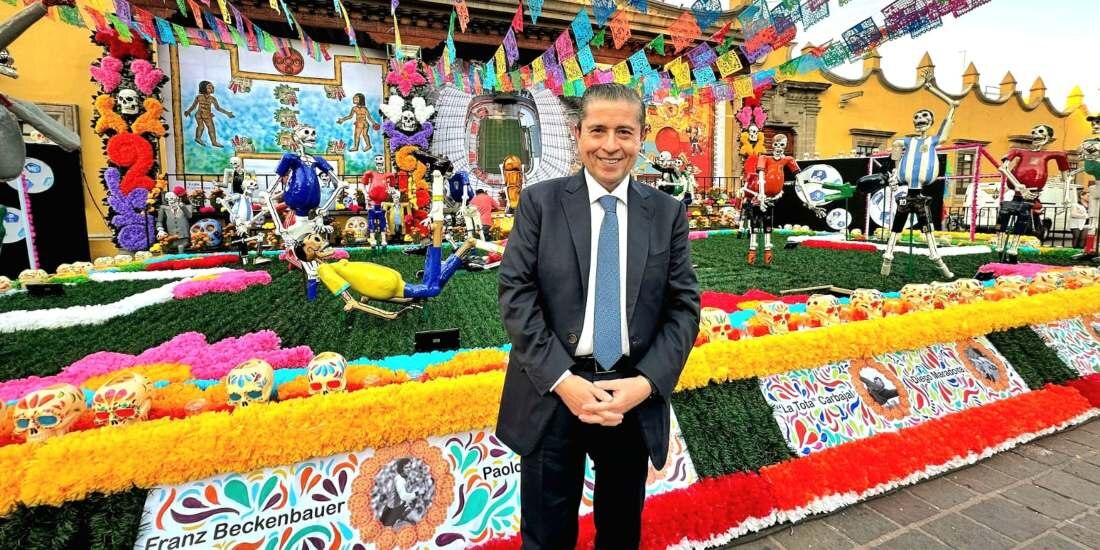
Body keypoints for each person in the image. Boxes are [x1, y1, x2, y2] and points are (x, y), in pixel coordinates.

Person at [497, 83, 700, 549]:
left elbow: (683, 307)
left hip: (630, 394)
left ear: (641, 137)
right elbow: (516, 292)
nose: (611, 145)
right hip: (553, 393)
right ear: (578, 134)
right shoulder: (540, 203)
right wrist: (562, 379)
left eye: (624, 132)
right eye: (599, 130)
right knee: (547, 535)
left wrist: (645, 384)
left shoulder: (667, 213)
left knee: (621, 531)